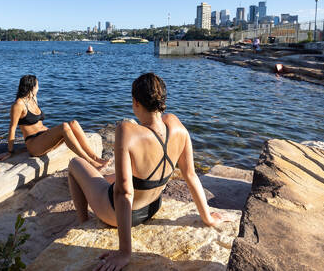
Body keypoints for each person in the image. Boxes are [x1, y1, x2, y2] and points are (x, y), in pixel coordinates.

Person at [67, 73, 224, 270]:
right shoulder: (177, 126)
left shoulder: (127, 130)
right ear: (162, 100)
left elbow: (124, 193)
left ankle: (83, 221)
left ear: (135, 102)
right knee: (113, 177)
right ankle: (102, 182)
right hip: (151, 207)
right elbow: (190, 175)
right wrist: (207, 217)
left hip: (117, 215)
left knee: (75, 163)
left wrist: (125, 252)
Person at [0, 75, 108, 169]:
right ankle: (90, 162)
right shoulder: (18, 104)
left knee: (73, 123)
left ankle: (96, 158)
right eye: (37, 85)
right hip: (34, 144)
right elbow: (12, 128)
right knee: (64, 126)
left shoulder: (34, 99)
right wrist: (10, 151)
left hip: (44, 137)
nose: (38, 88)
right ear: (32, 87)